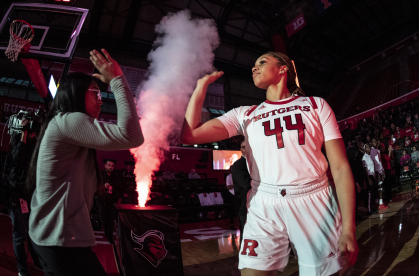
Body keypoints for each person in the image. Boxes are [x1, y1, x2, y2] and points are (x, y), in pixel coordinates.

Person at [180, 51, 358, 275]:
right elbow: (189, 135)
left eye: (262, 62)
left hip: (313, 199)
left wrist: (349, 229)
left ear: (283, 68)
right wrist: (200, 87)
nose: (254, 68)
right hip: (263, 202)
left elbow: (340, 168)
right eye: (254, 64)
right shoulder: (245, 114)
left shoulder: (316, 105)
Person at [26, 49, 144, 276]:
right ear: (76, 94)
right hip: (58, 239)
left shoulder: (64, 124)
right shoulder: (69, 121)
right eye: (95, 93)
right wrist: (118, 81)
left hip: (55, 236)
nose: (101, 100)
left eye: (101, 94)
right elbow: (132, 136)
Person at [6, 120, 42, 276]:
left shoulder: (34, 145)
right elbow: (17, 161)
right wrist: (22, 137)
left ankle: (36, 262)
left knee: (31, 231)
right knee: (20, 234)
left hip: (29, 193)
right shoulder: (17, 140)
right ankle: (22, 270)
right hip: (16, 193)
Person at [231, 140, 252, 245]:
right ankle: (246, 257)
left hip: (254, 203)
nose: (245, 149)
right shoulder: (238, 165)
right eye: (243, 147)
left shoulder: (255, 163)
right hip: (244, 204)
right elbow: (246, 183)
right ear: (240, 149)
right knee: (246, 230)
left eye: (247, 146)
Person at [98, 160, 122, 244]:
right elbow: (95, 185)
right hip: (102, 201)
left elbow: (119, 188)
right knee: (103, 219)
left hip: (111, 201)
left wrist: (119, 199)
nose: (111, 167)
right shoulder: (101, 175)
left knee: (111, 220)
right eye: (109, 165)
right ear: (105, 166)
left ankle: (109, 237)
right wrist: (103, 186)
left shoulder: (115, 176)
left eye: (112, 166)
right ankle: (107, 232)